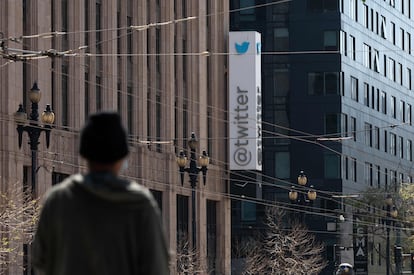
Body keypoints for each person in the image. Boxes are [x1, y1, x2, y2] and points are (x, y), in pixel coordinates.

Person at [32, 112, 170, 275]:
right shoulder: (139, 203)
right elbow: (157, 267)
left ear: (84, 154)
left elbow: (40, 260)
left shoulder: (58, 199)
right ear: (121, 158)